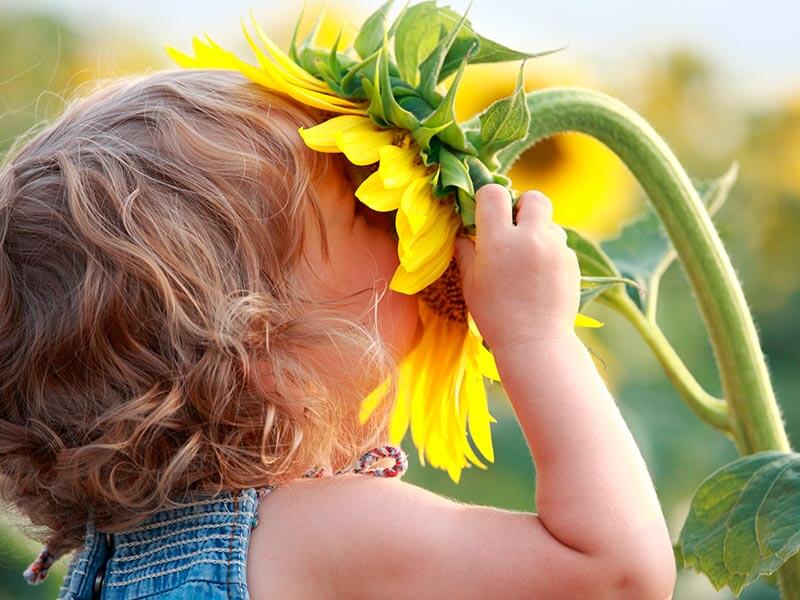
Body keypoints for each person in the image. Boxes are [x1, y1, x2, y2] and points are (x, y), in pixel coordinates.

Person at [0, 68, 675, 599]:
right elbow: (615, 575)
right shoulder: (317, 535)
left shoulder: (118, 553)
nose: (399, 218)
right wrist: (534, 334)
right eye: (364, 205)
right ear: (260, 348)